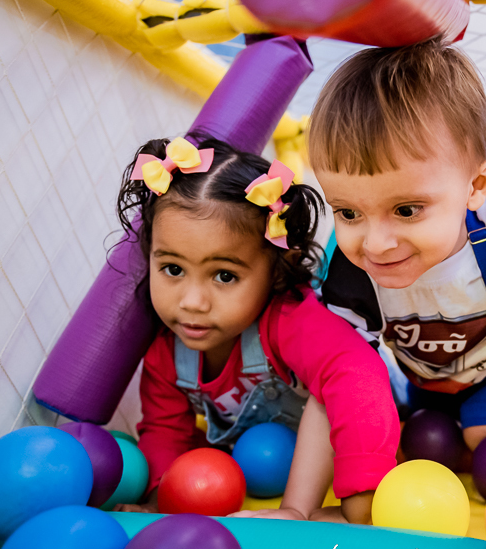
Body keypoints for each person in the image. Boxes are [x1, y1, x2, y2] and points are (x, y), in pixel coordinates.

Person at [112, 134, 399, 523]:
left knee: (331, 385)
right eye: (173, 269)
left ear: (276, 271)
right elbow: (165, 431)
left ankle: (297, 510)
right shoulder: (167, 351)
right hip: (262, 460)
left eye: (224, 276)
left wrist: (362, 499)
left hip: (370, 420)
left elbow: (358, 374)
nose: (192, 301)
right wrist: (162, 500)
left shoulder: (287, 320)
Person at [308, 38, 486, 451]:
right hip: (422, 381)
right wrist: (300, 508)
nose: (376, 244)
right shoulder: (348, 270)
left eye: (407, 210)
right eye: (349, 213)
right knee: (421, 441)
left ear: (476, 186)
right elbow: (332, 384)